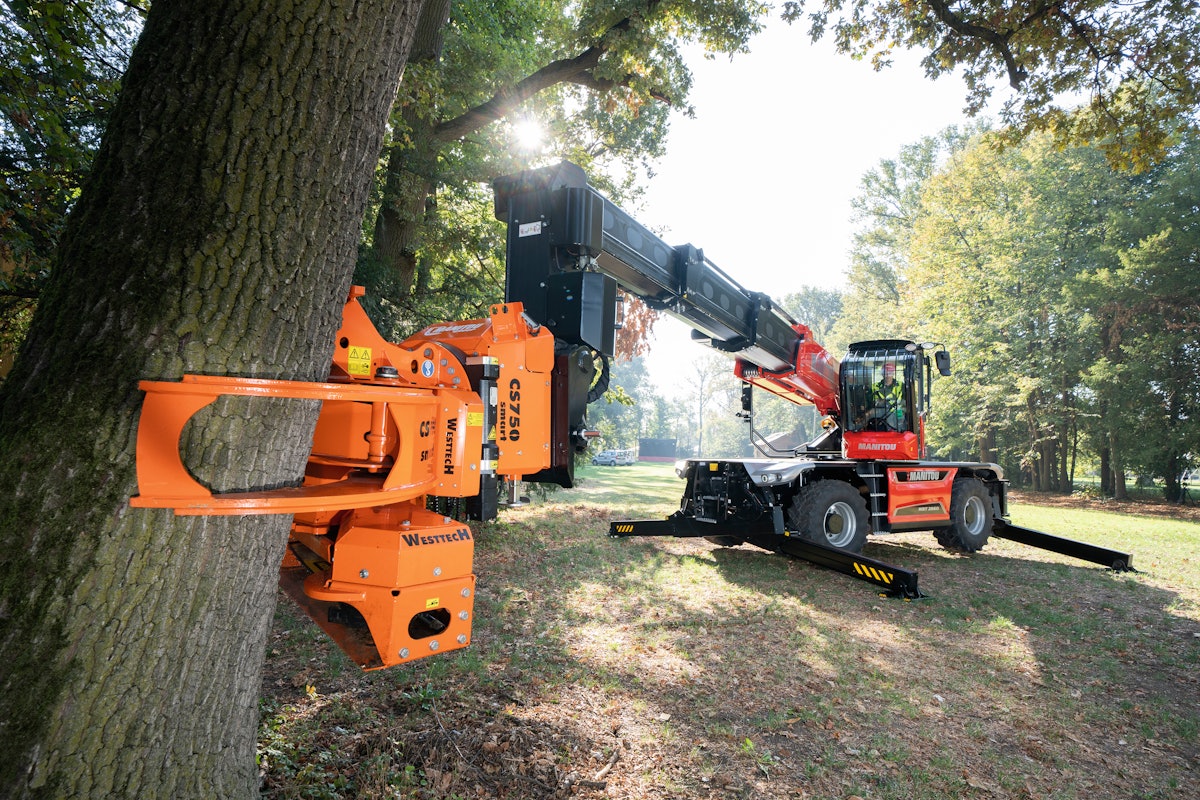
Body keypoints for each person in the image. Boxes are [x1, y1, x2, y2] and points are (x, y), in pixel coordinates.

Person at [864, 363, 904, 431]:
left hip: (897, 416)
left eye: (890, 373)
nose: (888, 376)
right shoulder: (874, 387)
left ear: (893, 373)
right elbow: (868, 404)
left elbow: (908, 404)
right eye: (885, 373)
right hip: (879, 417)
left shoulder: (902, 386)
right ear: (882, 374)